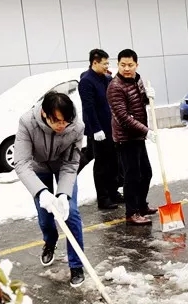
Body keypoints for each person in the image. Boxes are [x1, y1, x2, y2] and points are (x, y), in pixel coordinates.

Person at [13, 91, 87, 287]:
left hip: (63, 168)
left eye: (65, 121)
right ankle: (50, 240)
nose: (62, 126)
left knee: (71, 212)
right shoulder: (27, 123)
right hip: (38, 168)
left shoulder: (76, 127)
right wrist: (41, 192)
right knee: (45, 215)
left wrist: (63, 194)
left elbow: (71, 164)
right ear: (44, 114)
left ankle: (76, 264)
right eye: (57, 121)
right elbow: (21, 163)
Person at [107, 48, 157, 225]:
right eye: (123, 65)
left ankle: (141, 205)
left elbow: (139, 101)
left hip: (138, 136)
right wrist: (146, 131)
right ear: (118, 65)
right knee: (132, 176)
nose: (126, 68)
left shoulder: (137, 79)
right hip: (125, 138)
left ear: (136, 64)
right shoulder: (115, 87)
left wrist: (148, 97)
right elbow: (123, 117)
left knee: (146, 173)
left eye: (130, 65)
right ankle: (132, 213)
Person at [80, 48, 124, 210]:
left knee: (114, 162)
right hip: (98, 131)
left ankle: (113, 192)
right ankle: (103, 198)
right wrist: (96, 129)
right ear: (95, 62)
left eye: (108, 63)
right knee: (101, 165)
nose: (107, 66)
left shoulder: (105, 78)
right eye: (104, 63)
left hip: (111, 127)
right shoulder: (86, 81)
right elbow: (89, 108)